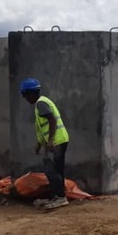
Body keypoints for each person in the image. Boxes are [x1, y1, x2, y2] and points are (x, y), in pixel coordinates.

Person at [19, 78, 70, 210]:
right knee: (56, 170)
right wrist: (39, 144)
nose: (25, 98)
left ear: (31, 93)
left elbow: (52, 120)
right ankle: (57, 196)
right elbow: (42, 127)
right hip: (58, 140)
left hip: (57, 141)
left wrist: (51, 140)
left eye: (25, 95)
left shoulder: (41, 104)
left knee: (51, 170)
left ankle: (60, 197)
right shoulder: (41, 103)